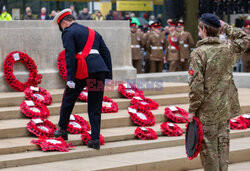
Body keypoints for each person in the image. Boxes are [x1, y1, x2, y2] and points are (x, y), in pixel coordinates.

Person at [188, 13, 248, 171]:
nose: (199, 32)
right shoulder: (228, 48)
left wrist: (192, 111)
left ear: (204, 30)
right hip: (225, 109)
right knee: (223, 150)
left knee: (210, 153)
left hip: (207, 112)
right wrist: (226, 27)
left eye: (200, 29)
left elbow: (196, 87)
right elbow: (244, 38)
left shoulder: (198, 53)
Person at [52, 9, 112, 150]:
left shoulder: (68, 32)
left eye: (61, 27)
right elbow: (106, 52)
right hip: (99, 70)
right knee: (95, 105)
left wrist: (70, 78)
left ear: (64, 22)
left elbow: (70, 55)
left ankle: (62, 129)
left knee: (69, 98)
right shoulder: (93, 32)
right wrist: (109, 75)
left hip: (82, 70)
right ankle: (95, 139)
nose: (62, 30)